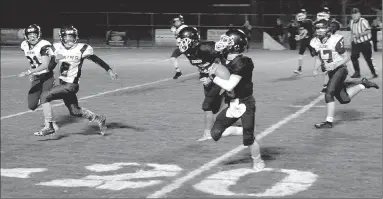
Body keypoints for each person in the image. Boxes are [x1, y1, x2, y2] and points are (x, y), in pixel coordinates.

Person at [24, 25, 118, 136]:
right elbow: (50, 67)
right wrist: (55, 60)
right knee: (75, 111)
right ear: (61, 38)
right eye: (67, 37)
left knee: (44, 96)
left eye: (72, 37)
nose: (69, 40)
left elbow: (96, 59)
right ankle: (99, 118)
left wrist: (108, 69)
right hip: (63, 84)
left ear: (76, 37)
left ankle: (49, 126)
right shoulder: (57, 48)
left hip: (71, 85)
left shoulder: (82, 48)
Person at [209, 29, 265, 171]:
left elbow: (229, 85)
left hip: (245, 103)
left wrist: (212, 77)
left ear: (235, 45)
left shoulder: (243, 62)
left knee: (249, 139)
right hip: (232, 104)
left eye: (227, 41)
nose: (223, 43)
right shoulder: (224, 58)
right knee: (214, 134)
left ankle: (258, 161)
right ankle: (242, 130)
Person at [177, 27, 243, 141]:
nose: (180, 43)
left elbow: (223, 54)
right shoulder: (188, 52)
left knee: (207, 106)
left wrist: (211, 77)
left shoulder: (206, 47)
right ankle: (241, 119)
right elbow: (203, 66)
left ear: (191, 40)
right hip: (207, 77)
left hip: (219, 75)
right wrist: (204, 76)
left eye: (182, 40)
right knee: (214, 108)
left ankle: (207, 133)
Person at [311, 19, 379, 128]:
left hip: (340, 69)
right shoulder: (314, 42)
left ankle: (328, 122)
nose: (319, 30)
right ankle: (363, 84)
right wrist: (315, 68)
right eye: (317, 28)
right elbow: (319, 57)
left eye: (322, 27)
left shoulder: (335, 40)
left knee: (329, 93)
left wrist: (334, 65)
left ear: (328, 28)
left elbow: (347, 57)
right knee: (344, 99)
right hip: (331, 72)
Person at [18, 24, 59, 135]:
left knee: (44, 97)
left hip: (47, 76)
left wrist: (30, 71)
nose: (32, 37)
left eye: (34, 34)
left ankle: (49, 125)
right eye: (30, 34)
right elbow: (32, 61)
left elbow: (45, 65)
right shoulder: (24, 45)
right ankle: (51, 119)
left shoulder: (44, 45)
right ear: (26, 36)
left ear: (39, 34)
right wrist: (32, 71)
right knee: (32, 105)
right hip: (36, 76)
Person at [349, 8, 378, 78]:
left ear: (359, 14)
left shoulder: (363, 21)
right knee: (353, 57)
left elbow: (368, 31)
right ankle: (357, 72)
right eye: (353, 14)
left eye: (356, 14)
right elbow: (352, 32)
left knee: (368, 58)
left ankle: (374, 72)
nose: (354, 16)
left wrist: (359, 34)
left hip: (365, 43)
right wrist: (351, 39)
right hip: (356, 43)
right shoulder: (351, 22)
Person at [170, 15, 188, 79]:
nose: (175, 23)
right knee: (173, 57)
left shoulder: (184, 27)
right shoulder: (177, 28)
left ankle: (205, 71)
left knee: (196, 60)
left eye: (176, 21)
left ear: (181, 21)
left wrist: (175, 32)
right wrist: (175, 31)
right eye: (174, 22)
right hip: (181, 47)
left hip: (188, 46)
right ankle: (178, 72)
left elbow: (182, 36)